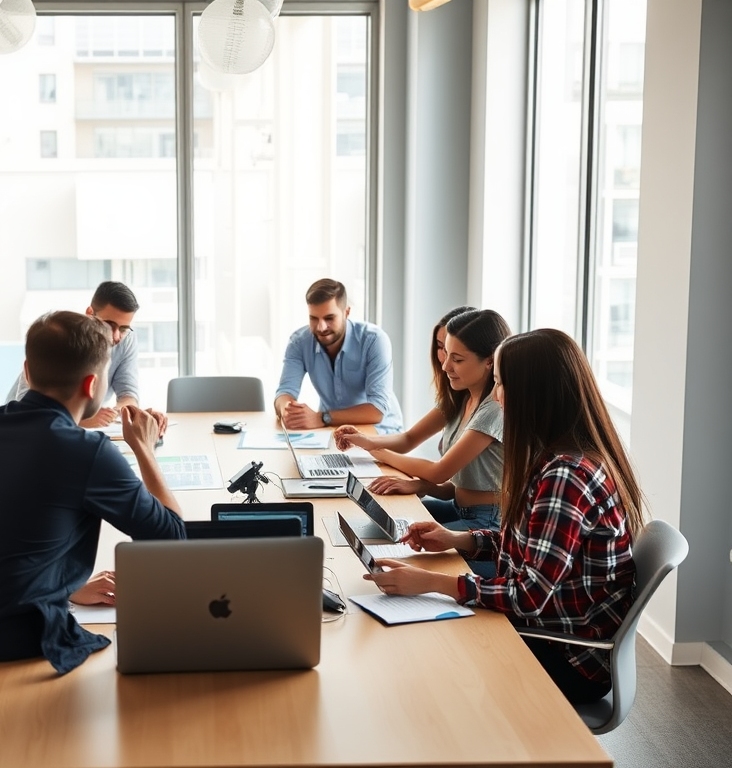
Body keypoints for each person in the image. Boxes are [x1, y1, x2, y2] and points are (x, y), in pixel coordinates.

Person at [362, 328, 644, 705]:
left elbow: (529, 596)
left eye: (501, 383)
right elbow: (530, 546)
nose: (496, 395)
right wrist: (459, 539)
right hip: (549, 627)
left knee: (424, 653)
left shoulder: (566, 475)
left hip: (566, 654)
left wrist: (433, 582)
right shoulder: (556, 456)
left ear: (533, 393)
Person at [0, 311, 186, 674]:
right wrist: (144, 448)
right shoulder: (88, 450)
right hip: (21, 645)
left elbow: (1, 541)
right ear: (93, 385)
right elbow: (173, 540)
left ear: (28, 371)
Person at [334, 308, 510, 534]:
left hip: (486, 522)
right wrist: (366, 441)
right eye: (446, 353)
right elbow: (410, 439)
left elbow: (439, 472)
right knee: (380, 521)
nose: (445, 366)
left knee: (404, 539)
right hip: (459, 508)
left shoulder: (493, 410)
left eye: (457, 359)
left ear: (489, 361)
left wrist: (377, 452)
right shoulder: (461, 397)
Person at [9, 280, 167, 434]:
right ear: (90, 314)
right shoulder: (60, 335)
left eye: (124, 328)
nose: (116, 336)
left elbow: (128, 394)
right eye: (109, 325)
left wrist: (134, 415)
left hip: (69, 428)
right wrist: (83, 418)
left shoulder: (126, 340)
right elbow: (26, 408)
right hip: (21, 429)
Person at [275, 278, 404, 434]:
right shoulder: (299, 342)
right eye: (313, 318)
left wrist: (322, 418)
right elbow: (284, 391)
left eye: (329, 318)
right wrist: (289, 411)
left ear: (346, 312)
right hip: (330, 432)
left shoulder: (374, 340)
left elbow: (377, 410)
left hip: (380, 432)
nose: (321, 327)